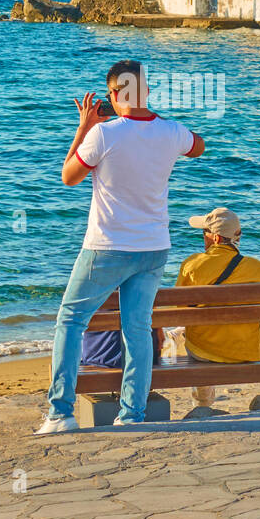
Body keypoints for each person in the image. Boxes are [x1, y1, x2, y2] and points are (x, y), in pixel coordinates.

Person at [37, 59, 205, 434]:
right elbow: (199, 147)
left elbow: (68, 177)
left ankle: (60, 413)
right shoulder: (172, 132)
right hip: (153, 248)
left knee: (70, 320)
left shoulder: (103, 135)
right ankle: (132, 415)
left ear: (113, 96)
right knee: (137, 329)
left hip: (107, 246)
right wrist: (158, 123)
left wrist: (83, 128)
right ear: (145, 91)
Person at [174, 207, 260, 407]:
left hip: (204, 351)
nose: (203, 238)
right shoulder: (258, 268)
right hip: (247, 351)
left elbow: (180, 310)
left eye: (204, 233)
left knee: (194, 337)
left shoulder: (192, 265)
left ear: (216, 239)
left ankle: (202, 406)